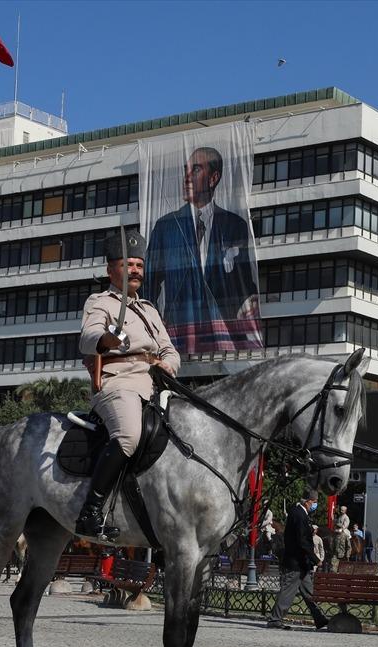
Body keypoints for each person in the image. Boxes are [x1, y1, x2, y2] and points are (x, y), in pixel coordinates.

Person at [75, 230, 180, 541]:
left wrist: (168, 363)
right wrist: (107, 339)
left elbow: (169, 349)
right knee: (129, 435)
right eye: (127, 264)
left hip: (156, 384)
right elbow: (87, 338)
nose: (135, 270)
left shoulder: (150, 310)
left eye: (138, 265)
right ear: (111, 270)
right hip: (118, 382)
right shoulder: (101, 302)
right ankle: (90, 512)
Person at [146, 146, 261, 352]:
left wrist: (250, 304)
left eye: (196, 170)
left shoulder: (234, 225)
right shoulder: (166, 227)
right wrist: (154, 322)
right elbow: (149, 282)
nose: (187, 178)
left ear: (213, 178)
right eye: (186, 171)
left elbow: (242, 282)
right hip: (178, 334)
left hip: (222, 336)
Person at [266, 489, 328, 630]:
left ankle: (320, 619)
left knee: (309, 592)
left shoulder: (297, 512)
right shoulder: (299, 514)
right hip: (296, 562)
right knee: (288, 591)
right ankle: (275, 620)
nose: (315, 505)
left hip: (301, 563)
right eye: (315, 502)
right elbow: (302, 541)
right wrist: (315, 558)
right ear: (308, 501)